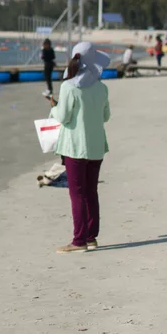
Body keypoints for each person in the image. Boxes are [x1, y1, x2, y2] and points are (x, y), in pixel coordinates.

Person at [48, 42, 111, 253]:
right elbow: (106, 116)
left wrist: (54, 108)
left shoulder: (69, 87)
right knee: (91, 191)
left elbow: (63, 116)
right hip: (96, 146)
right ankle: (91, 236)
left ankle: (79, 240)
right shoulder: (102, 87)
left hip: (75, 146)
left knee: (77, 193)